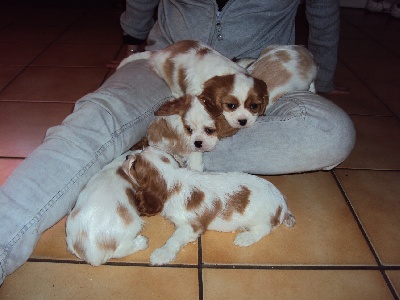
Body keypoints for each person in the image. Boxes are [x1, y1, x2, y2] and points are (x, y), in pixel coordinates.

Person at [0, 0, 356, 284]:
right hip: (171, 62)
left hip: (260, 73)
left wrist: (321, 74)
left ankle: (151, 153)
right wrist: (133, 36)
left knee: (331, 131)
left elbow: (324, 8)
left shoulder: (260, 81)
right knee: (96, 118)